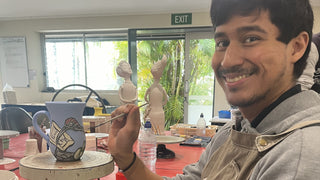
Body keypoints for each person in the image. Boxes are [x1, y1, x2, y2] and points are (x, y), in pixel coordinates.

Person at [108, 0, 320, 179]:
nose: (228, 60)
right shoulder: (232, 131)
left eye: (251, 38)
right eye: (222, 42)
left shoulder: (300, 154)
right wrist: (127, 158)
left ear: (297, 47)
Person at [143, 55, 168, 135]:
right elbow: (166, 100)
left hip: (152, 112)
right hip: (160, 111)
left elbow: (145, 98)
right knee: (160, 132)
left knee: (153, 133)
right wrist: (161, 104)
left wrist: (150, 103)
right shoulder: (161, 88)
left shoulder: (151, 88)